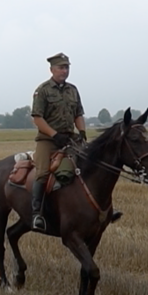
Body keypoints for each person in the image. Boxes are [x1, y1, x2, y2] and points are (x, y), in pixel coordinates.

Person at [29, 52, 86, 232]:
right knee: (43, 173)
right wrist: (54, 135)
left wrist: (82, 132)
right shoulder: (43, 90)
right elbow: (37, 119)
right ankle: (36, 213)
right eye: (61, 67)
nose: (64, 70)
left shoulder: (73, 90)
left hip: (69, 139)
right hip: (48, 140)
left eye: (67, 67)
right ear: (51, 69)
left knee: (90, 166)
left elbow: (78, 114)